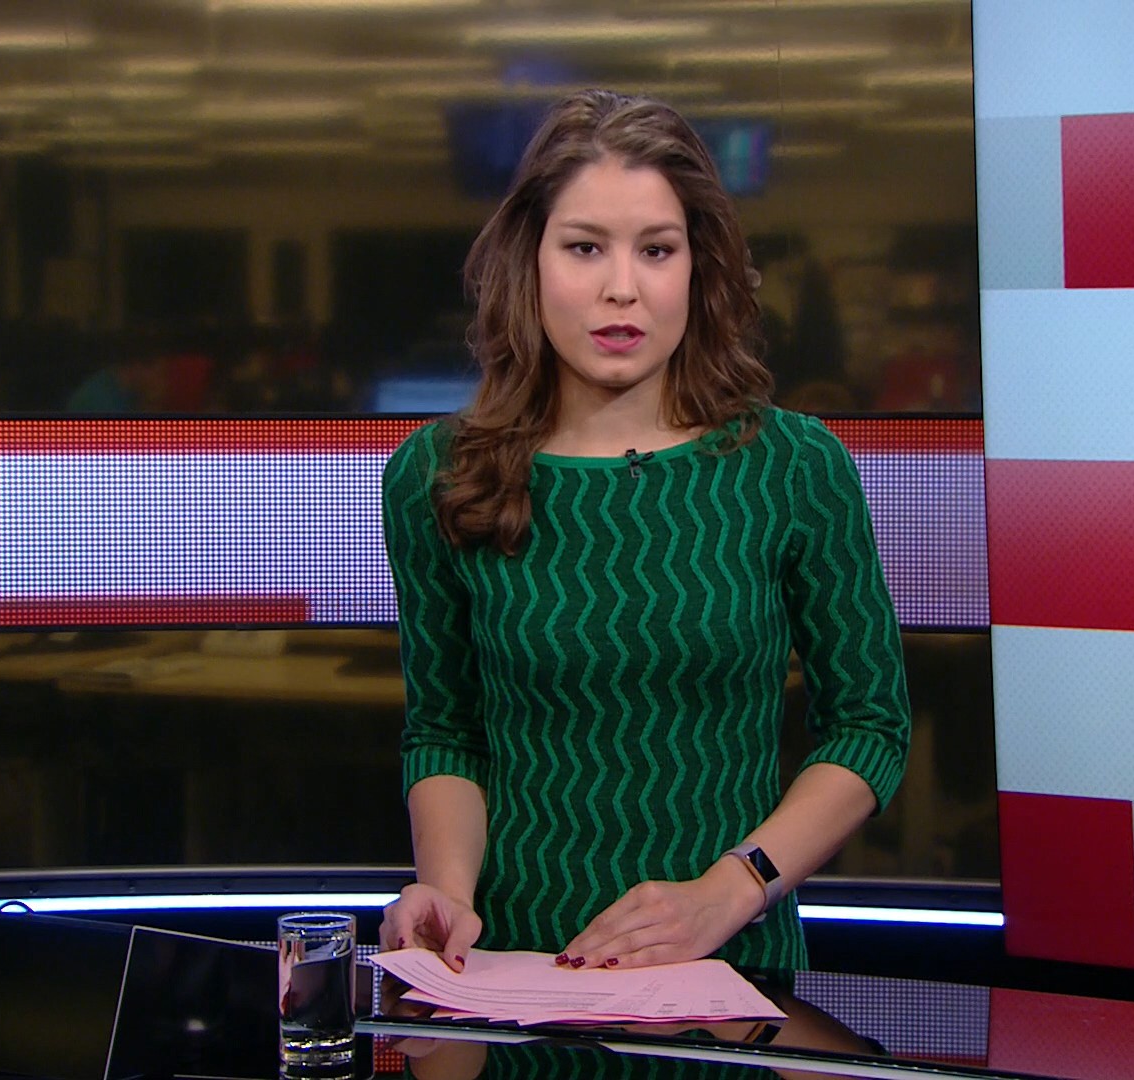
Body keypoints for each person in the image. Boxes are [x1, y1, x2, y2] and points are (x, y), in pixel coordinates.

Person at [379, 89, 910, 982]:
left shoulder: (793, 466)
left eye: (656, 250)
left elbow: (869, 726)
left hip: (731, 976)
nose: (620, 287)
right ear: (530, 261)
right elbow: (446, 730)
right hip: (510, 975)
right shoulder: (437, 473)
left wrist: (730, 890)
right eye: (585, 247)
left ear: (699, 267)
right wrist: (447, 889)